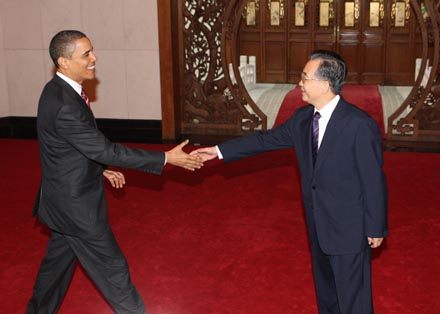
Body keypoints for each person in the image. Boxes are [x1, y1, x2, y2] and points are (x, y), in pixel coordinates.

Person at [191, 50, 388, 314]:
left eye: (305, 77)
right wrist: (217, 150)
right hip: (318, 225)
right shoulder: (303, 119)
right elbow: (263, 141)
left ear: (325, 84)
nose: (300, 83)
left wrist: (375, 227)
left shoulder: (358, 124)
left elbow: (373, 179)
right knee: (327, 295)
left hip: (350, 229)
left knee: (354, 301)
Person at [27, 30, 203, 314]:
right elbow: (104, 149)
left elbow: (74, 148)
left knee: (55, 271)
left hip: (61, 199)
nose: (94, 58)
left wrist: (101, 169)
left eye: (92, 50)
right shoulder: (64, 105)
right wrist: (165, 158)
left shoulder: (57, 91)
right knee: (113, 270)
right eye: (85, 54)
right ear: (63, 62)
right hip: (75, 208)